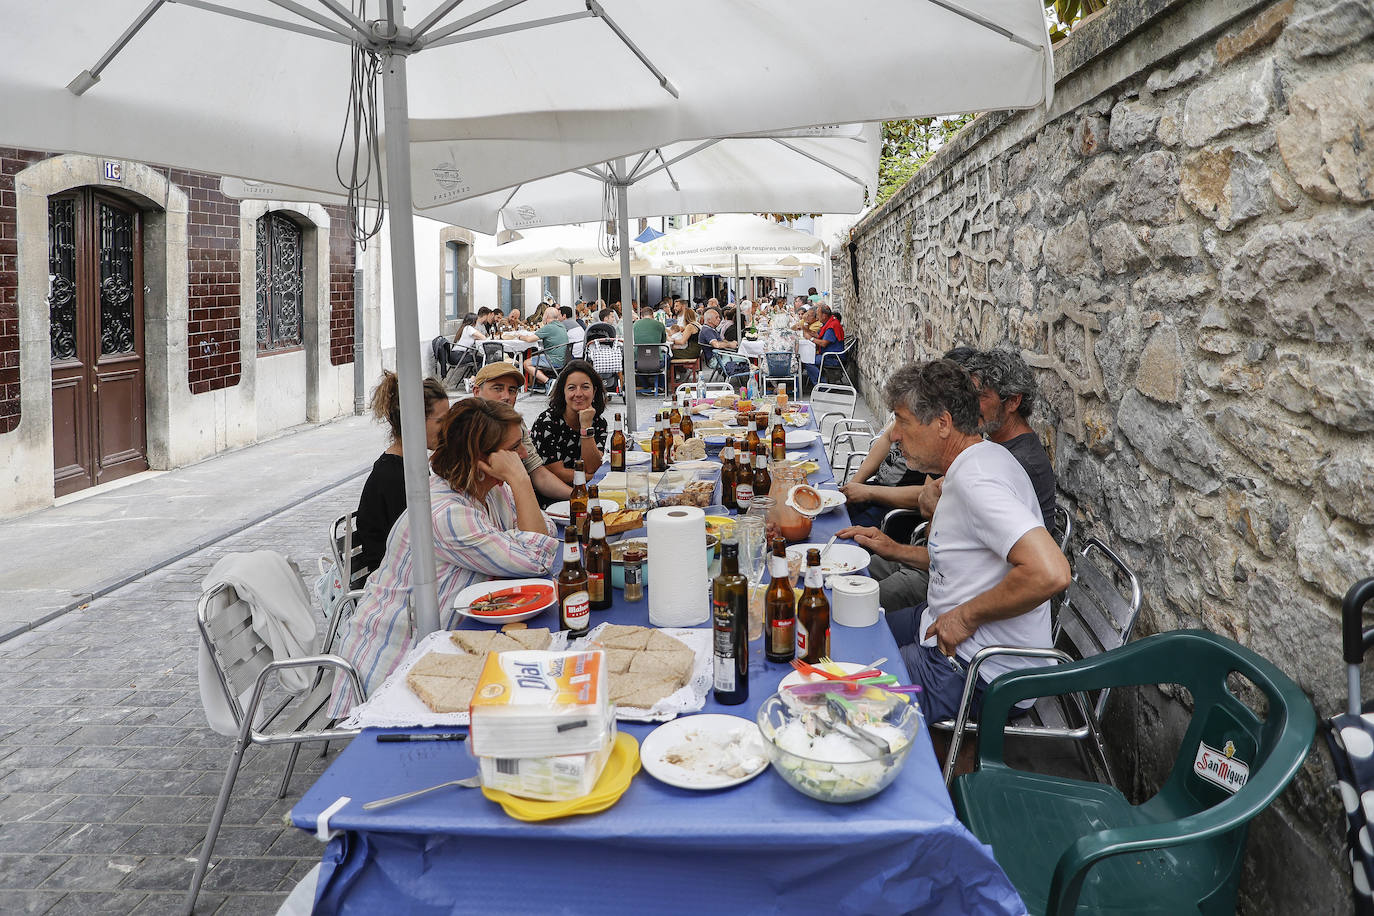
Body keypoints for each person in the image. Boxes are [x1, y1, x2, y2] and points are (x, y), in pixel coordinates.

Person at [836, 359, 1070, 738]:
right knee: (844, 629)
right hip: (940, 626)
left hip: (982, 671)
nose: (894, 435)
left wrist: (965, 618)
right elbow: (967, 563)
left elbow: (1051, 572)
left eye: (902, 421)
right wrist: (893, 548)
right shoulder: (977, 457)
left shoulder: (977, 481)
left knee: (838, 696)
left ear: (943, 423)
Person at [327, 397, 559, 714]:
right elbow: (537, 559)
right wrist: (521, 480)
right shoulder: (448, 514)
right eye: (515, 448)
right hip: (399, 667)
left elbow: (543, 535)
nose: (523, 456)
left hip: (445, 641)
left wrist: (518, 501)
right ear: (484, 459)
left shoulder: (490, 488)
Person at [354, 372, 452, 580]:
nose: (448, 428)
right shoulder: (394, 476)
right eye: (442, 421)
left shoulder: (412, 466)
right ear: (414, 421)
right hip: (395, 581)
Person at [470, 362, 572, 504]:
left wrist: (577, 496)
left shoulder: (516, 423)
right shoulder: (466, 430)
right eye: (498, 388)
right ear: (476, 392)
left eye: (512, 390)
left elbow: (537, 472)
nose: (506, 396)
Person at [530, 359, 608, 483]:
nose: (578, 393)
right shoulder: (547, 422)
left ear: (594, 391)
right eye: (571, 388)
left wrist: (586, 426)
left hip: (588, 488)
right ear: (563, 392)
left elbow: (592, 467)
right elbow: (558, 473)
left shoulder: (599, 422)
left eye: (585, 387)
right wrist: (597, 478)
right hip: (554, 494)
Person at [517, 306, 568, 388]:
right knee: (535, 357)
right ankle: (539, 382)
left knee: (526, 363)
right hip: (562, 358)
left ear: (547, 316)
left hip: (553, 359)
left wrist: (520, 337)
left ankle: (549, 382)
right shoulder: (561, 326)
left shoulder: (549, 327)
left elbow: (530, 339)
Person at [803, 304, 844, 385]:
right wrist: (805, 329)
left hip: (833, 358)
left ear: (824, 315)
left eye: (818, 314)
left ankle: (821, 384)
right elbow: (818, 335)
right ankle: (819, 382)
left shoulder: (832, 326)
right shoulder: (829, 322)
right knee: (807, 358)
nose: (817, 317)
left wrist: (810, 339)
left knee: (808, 360)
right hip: (829, 355)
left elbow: (823, 343)